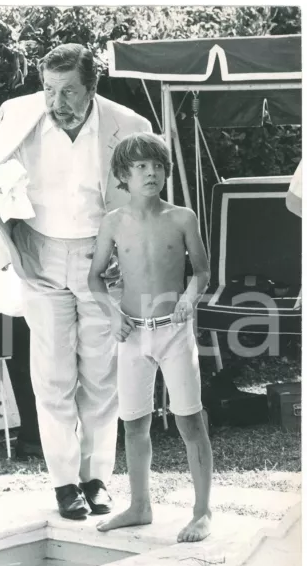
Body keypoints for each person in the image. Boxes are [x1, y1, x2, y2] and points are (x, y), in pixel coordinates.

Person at [0, 44, 152, 519]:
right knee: (53, 376)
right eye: (49, 90)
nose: (57, 101)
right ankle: (64, 484)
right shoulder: (16, 116)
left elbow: (150, 199)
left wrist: (129, 252)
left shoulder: (130, 127)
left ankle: (96, 479)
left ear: (92, 88)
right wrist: (9, 243)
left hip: (103, 263)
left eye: (69, 90)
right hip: (41, 256)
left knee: (100, 377)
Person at [88, 132, 213, 542]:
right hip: (130, 334)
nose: (151, 173)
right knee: (133, 423)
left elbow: (202, 271)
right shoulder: (113, 222)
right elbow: (95, 278)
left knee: (190, 420)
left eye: (157, 165)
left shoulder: (182, 217)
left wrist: (190, 299)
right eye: (140, 166)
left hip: (174, 332)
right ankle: (140, 506)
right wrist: (112, 314)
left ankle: (201, 511)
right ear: (123, 175)